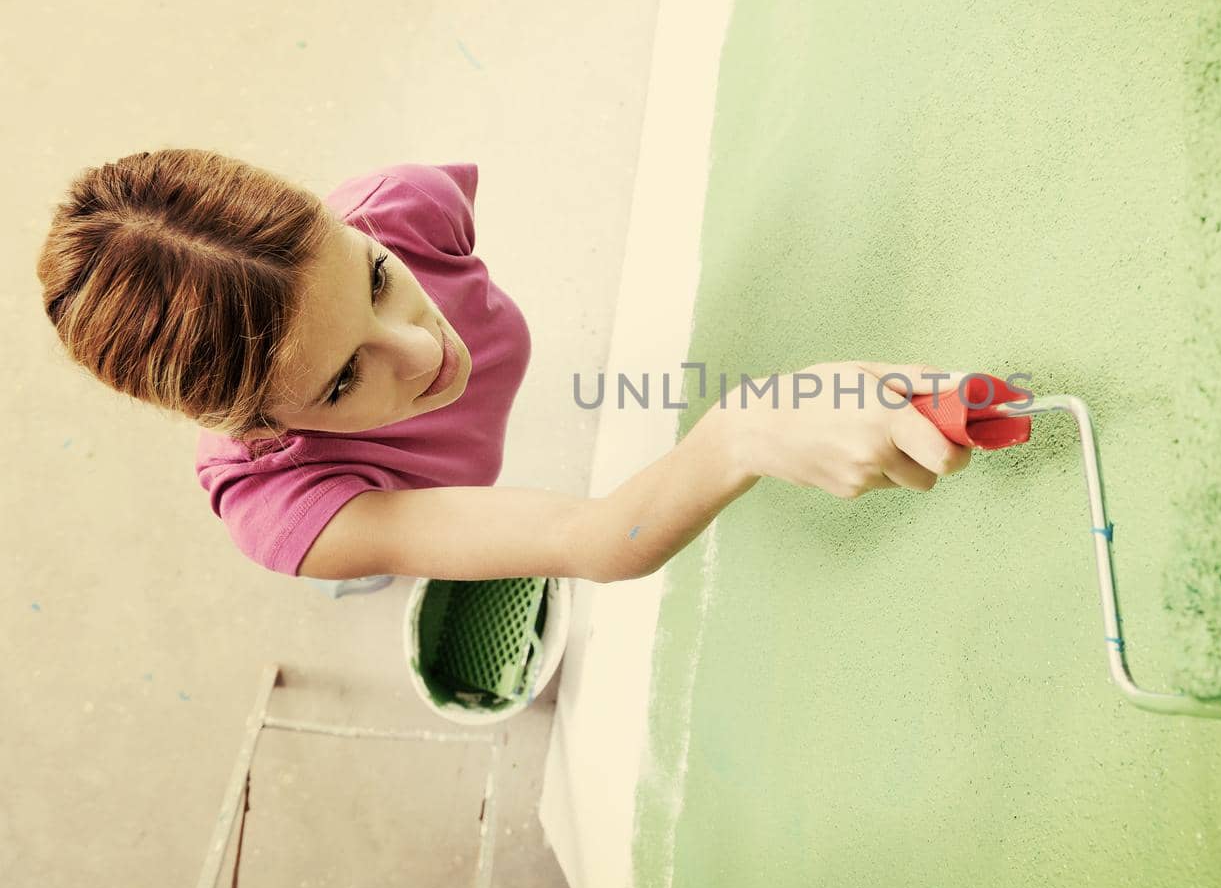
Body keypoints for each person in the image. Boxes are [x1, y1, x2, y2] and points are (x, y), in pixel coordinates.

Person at [35, 149, 974, 592]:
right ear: (265, 430)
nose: (426, 348)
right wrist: (745, 431)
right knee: (373, 555)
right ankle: (378, 559)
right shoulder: (295, 509)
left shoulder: (407, 204)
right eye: (338, 382)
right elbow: (593, 538)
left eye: (376, 278)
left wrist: (364, 316)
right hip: (354, 516)